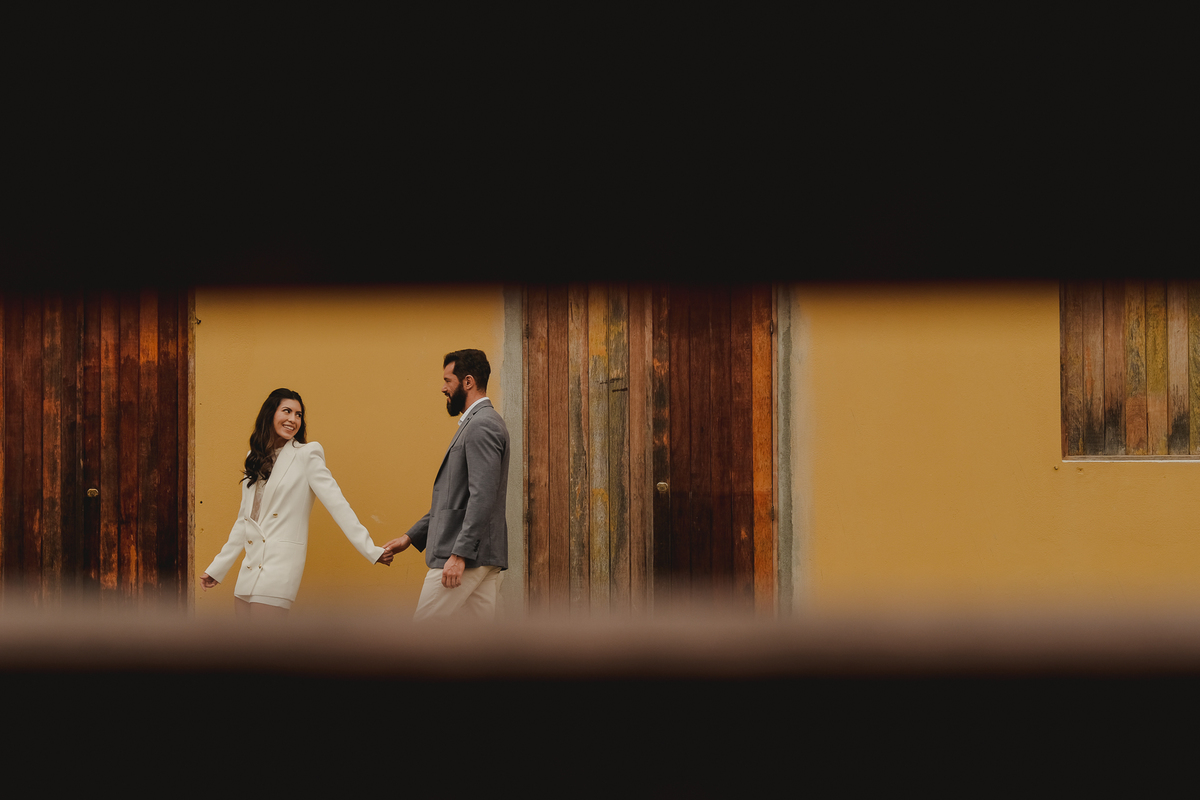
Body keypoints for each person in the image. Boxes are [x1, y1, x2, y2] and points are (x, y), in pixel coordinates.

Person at [200, 388, 392, 618]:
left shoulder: (306, 454)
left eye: (298, 414)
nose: (293, 419)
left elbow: (338, 505)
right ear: (270, 413)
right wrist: (217, 568)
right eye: (287, 411)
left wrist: (370, 550)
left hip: (280, 566)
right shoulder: (254, 458)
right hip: (250, 566)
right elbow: (245, 521)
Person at [383, 349, 509, 621]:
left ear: (468, 382)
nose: (443, 388)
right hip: (480, 556)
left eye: (447, 381)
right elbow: (454, 499)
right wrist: (410, 537)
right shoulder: (478, 423)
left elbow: (483, 496)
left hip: (464, 556)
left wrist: (460, 554)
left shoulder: (481, 425)